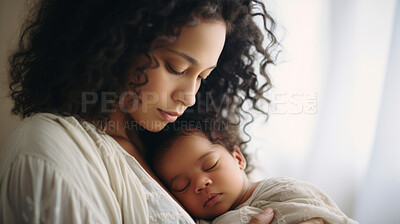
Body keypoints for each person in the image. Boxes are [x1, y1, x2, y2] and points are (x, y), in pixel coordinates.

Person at [0, 0, 301, 223]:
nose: (190, 97)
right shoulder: (49, 149)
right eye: (176, 67)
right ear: (115, 44)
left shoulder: (184, 144)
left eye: (201, 77)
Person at [142, 118, 359, 224]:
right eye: (183, 186)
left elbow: (316, 216)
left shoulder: (279, 190)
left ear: (238, 158)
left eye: (210, 165)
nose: (200, 184)